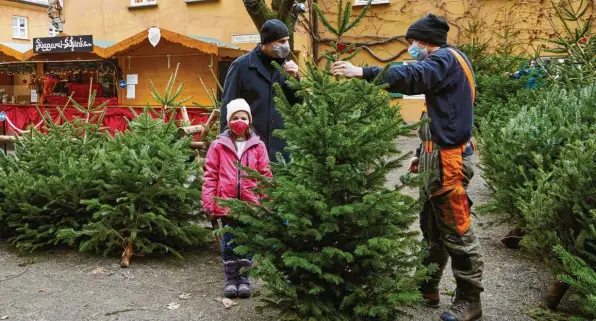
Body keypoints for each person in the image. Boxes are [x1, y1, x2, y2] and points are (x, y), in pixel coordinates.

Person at [331, 13, 484, 321]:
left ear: (423, 42)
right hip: (434, 156)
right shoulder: (446, 62)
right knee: (431, 226)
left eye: (413, 42)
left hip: (449, 160)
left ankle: (470, 300)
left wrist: (361, 71)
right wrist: (420, 151)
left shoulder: (444, 60)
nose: (410, 47)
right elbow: (438, 114)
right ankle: (427, 285)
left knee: (457, 230)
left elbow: (411, 75)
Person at [203, 98, 273, 299]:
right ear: (228, 121)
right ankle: (230, 278)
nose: (239, 121)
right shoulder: (218, 145)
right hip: (226, 205)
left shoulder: (258, 146)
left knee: (247, 242)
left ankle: (244, 279)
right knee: (229, 241)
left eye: (243, 117)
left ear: (249, 121)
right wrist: (209, 202)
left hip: (250, 205)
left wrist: (268, 201)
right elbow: (210, 175)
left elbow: (265, 175)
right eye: (235, 117)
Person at [220, 19, 301, 162]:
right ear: (268, 43)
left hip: (281, 151)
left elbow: (297, 104)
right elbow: (227, 108)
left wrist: (294, 81)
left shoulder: (287, 67)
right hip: (249, 147)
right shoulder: (241, 66)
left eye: (287, 41)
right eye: (281, 42)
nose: (286, 46)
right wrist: (226, 146)